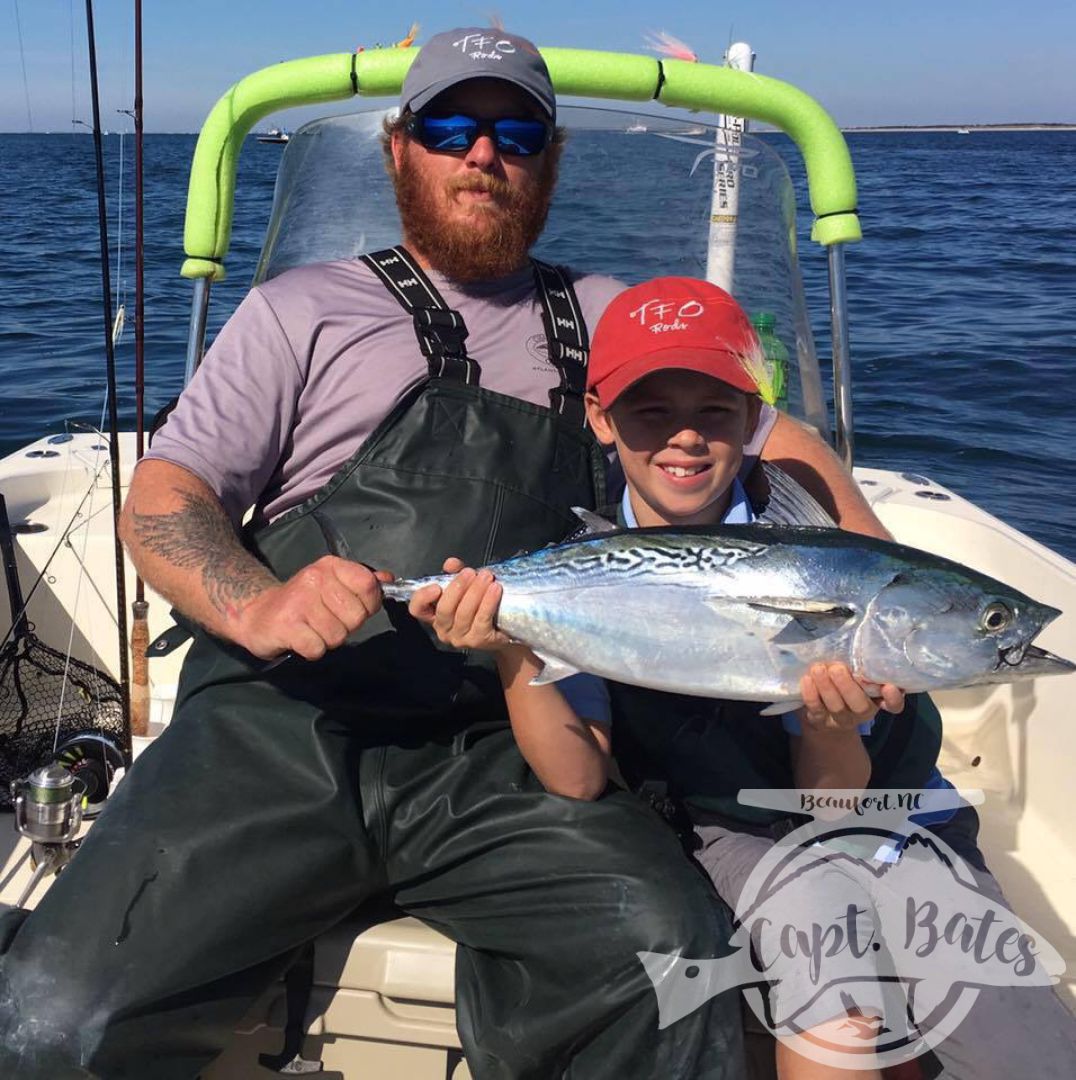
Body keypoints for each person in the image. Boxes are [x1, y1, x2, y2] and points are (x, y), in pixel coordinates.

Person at [0, 27, 884, 1080]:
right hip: (279, 727)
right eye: (449, 127)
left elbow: (771, 434)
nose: (482, 154)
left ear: (548, 158)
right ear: (397, 149)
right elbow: (167, 494)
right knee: (52, 1026)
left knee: (668, 960)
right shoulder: (298, 312)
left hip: (503, 742)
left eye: (515, 131)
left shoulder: (603, 317)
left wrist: (869, 588)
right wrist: (255, 602)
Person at [421, 277, 1076, 1079]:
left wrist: (835, 721)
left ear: (754, 420)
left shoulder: (819, 544)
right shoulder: (574, 563)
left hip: (893, 808)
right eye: (651, 412)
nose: (685, 439)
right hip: (742, 821)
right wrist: (511, 645)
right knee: (834, 985)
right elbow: (577, 775)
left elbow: (836, 800)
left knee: (1019, 1037)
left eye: (715, 413)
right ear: (600, 418)